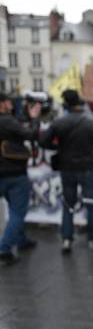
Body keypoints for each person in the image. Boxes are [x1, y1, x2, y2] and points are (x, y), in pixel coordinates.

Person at [40, 89, 93, 253]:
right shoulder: (92, 122)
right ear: (80, 103)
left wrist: (59, 147)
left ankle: (67, 239)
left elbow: (43, 141)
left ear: (66, 104)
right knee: (91, 203)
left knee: (68, 204)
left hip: (67, 168)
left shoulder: (59, 122)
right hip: (87, 168)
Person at [0, 93, 40, 265]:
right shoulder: (6, 121)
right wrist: (34, 118)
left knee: (13, 207)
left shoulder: (9, 121)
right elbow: (30, 134)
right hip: (13, 172)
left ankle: (21, 239)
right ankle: (4, 249)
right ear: (2, 104)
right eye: (9, 101)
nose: (11, 104)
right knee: (18, 211)